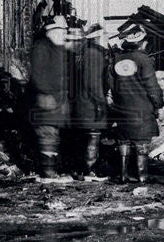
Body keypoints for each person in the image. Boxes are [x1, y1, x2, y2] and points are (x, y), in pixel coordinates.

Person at [107, 26, 164, 183]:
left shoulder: (117, 59)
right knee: (141, 143)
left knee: (123, 141)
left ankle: (123, 175)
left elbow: (111, 83)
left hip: (122, 108)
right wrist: (159, 105)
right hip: (142, 109)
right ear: (141, 43)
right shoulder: (143, 59)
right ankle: (142, 175)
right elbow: (152, 87)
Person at [28, 15, 71, 180]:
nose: (63, 34)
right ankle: (48, 173)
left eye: (64, 31)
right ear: (50, 32)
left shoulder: (58, 49)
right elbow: (38, 76)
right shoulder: (41, 48)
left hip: (57, 100)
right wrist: (46, 93)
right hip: (46, 100)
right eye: (61, 31)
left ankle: (52, 171)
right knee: (47, 135)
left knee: (53, 136)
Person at [69, 25, 111, 181]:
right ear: (98, 37)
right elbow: (92, 82)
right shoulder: (94, 55)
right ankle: (90, 171)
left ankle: (79, 171)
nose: (107, 37)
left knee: (82, 137)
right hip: (90, 103)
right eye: (105, 34)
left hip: (80, 102)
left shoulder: (83, 53)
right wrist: (100, 103)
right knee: (93, 135)